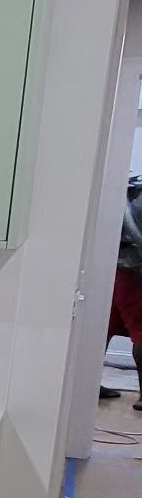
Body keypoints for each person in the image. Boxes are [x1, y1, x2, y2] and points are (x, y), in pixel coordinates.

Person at [106, 175, 142, 411]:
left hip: (113, 269)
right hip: (134, 271)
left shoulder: (131, 191)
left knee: (102, 329)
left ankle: (85, 385)